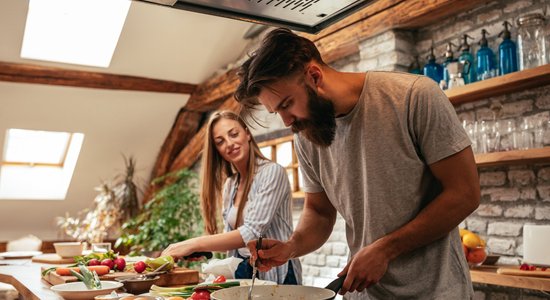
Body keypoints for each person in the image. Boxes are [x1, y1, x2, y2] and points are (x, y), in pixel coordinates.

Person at [234, 28, 480, 299]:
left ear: (314, 76)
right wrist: (290, 247)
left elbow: (464, 194)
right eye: (276, 111)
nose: (287, 121)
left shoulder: (414, 97)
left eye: (287, 104)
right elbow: (319, 213)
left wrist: (386, 249)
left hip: (437, 293)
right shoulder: (306, 137)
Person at [161, 110, 301, 285]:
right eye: (220, 142)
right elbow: (233, 240)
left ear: (247, 133)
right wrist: (206, 251)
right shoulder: (231, 184)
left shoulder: (272, 172)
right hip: (244, 272)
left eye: (234, 134)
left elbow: (251, 233)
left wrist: (194, 243)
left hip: (278, 275)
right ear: (217, 150)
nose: (229, 143)